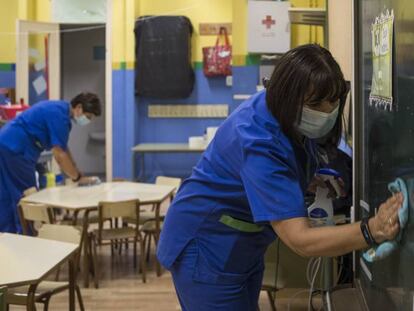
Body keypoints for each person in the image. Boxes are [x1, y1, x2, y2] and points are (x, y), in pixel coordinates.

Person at [157, 44, 402, 311]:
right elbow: (301, 240)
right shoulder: (258, 140)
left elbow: (273, 167)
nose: (327, 111)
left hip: (243, 247)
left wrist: (302, 180)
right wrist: (371, 229)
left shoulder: (280, 111)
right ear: (287, 96)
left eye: (333, 100)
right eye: (316, 103)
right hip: (206, 247)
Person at [0, 92, 101, 233]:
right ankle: (27, 236)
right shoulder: (60, 117)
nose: (87, 121)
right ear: (79, 107)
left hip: (5, 142)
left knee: (5, 192)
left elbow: (64, 149)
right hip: (16, 149)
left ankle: (6, 235)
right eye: (88, 117)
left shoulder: (59, 110)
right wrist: (77, 178)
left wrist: (77, 172)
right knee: (27, 194)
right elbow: (59, 155)